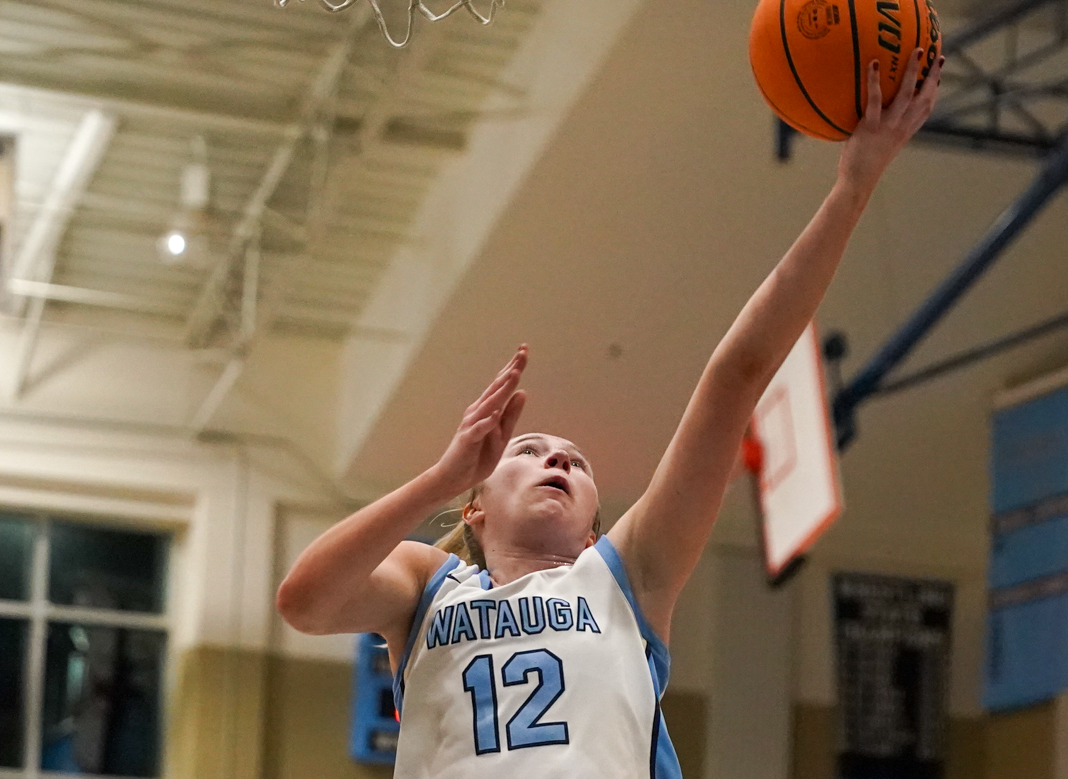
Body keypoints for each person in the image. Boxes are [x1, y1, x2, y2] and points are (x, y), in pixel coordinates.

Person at [277, 51, 944, 779]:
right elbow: (305, 603)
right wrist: (438, 478)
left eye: (576, 461)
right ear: (474, 510)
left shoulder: (626, 578)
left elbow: (736, 377)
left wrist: (853, 187)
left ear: (594, 531)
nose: (558, 458)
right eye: (529, 449)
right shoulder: (428, 586)